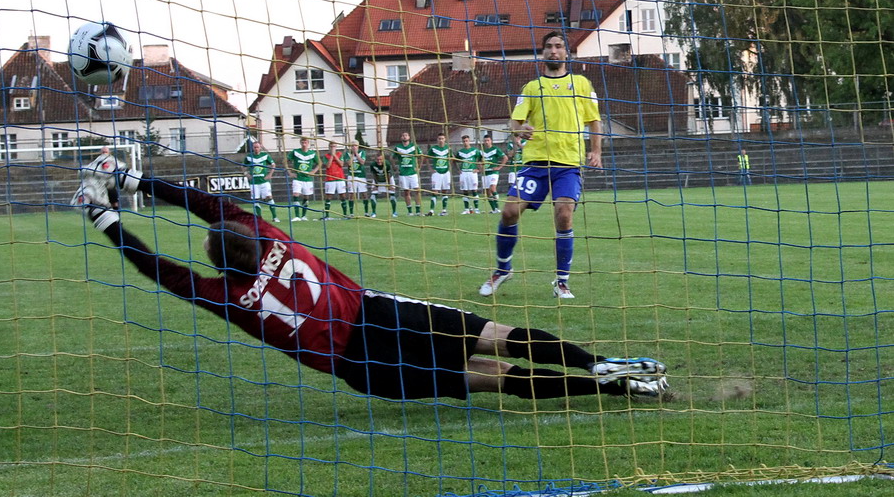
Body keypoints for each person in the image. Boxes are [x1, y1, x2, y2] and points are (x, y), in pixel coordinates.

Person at [69, 157, 669, 401]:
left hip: (359, 361)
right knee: (495, 334)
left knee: (492, 378)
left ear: (217, 264)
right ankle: (602, 364)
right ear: (251, 239)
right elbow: (204, 203)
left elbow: (156, 268)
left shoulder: (230, 297)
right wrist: (134, 181)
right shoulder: (275, 238)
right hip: (380, 310)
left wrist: (106, 219)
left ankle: (616, 390)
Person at [479, 31, 602, 300]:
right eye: (549, 47)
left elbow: (594, 120)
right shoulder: (531, 88)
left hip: (568, 163)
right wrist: (520, 129)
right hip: (535, 162)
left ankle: (561, 282)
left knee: (564, 214)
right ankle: (502, 270)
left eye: (559, 46)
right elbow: (515, 122)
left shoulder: (581, 84)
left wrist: (595, 151)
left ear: (566, 53)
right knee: (510, 212)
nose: (554, 51)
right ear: (543, 53)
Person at [287, 137, 321, 221]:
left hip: (307, 179)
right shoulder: (295, 152)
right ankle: (297, 216)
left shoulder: (312, 153)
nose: (304, 143)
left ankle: (304, 216)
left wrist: (313, 171)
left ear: (308, 143)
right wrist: (290, 172)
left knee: (306, 196)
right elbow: (286, 161)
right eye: (302, 142)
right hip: (297, 178)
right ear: (300, 143)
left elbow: (319, 163)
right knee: (296, 194)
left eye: (305, 142)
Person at [244, 142, 279, 222]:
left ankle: (275, 217)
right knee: (255, 200)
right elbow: (243, 166)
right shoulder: (249, 157)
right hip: (254, 183)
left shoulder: (265, 155)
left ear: (260, 148)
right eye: (255, 147)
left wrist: (270, 174)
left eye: (257, 147)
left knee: (269, 197)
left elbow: (273, 165)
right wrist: (246, 174)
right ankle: (259, 219)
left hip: (264, 181)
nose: (256, 149)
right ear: (253, 148)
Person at [393, 132, 422, 216]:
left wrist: (418, 167)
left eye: (406, 135)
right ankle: (409, 211)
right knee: (406, 192)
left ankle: (418, 210)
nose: (404, 137)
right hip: (403, 173)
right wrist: (395, 167)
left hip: (413, 173)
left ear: (409, 137)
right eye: (403, 135)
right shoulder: (398, 147)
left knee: (417, 191)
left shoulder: (414, 146)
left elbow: (421, 156)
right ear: (401, 138)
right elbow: (392, 157)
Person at [425, 133, 453, 216]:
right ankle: (431, 211)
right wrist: (430, 168)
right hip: (436, 173)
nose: (441, 140)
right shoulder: (433, 149)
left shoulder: (448, 148)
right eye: (439, 138)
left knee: (445, 191)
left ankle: (444, 210)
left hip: (446, 173)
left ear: (445, 139)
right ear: (437, 140)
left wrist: (449, 166)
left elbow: (452, 158)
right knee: (435, 191)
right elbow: (426, 158)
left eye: (442, 138)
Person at [455, 135, 483, 214]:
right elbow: (454, 161)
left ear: (469, 141)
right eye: (464, 141)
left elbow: (481, 160)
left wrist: (479, 169)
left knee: (474, 190)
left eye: (466, 140)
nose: (465, 142)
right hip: (464, 173)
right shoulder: (460, 152)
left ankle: (477, 209)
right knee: (465, 191)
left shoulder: (475, 151)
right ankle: (466, 209)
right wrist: (458, 170)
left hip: (472, 172)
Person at [480, 135, 507, 213]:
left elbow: (505, 157)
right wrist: (480, 167)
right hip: (485, 173)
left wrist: (499, 167)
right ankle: (495, 209)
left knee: (492, 188)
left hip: (493, 172)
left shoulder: (495, 149)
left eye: (488, 140)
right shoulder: (482, 151)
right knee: (488, 192)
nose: (486, 142)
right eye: (485, 141)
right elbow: (478, 160)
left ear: (491, 141)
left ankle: (498, 201)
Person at [344, 141, 370, 217]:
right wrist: (352, 155)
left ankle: (366, 212)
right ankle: (351, 213)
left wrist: (357, 154)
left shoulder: (362, 152)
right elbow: (349, 163)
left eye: (355, 146)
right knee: (351, 194)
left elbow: (362, 162)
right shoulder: (347, 154)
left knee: (364, 194)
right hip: (351, 176)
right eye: (352, 146)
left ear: (358, 146)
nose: (354, 147)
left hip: (361, 176)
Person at [322, 141, 348, 219]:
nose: (333, 148)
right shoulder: (326, 156)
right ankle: (327, 215)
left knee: (342, 196)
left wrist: (334, 155)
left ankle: (345, 214)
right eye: (331, 146)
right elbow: (328, 165)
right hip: (330, 178)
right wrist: (332, 156)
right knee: (328, 196)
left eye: (334, 146)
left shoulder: (340, 154)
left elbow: (341, 164)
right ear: (329, 147)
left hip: (340, 178)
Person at [368, 152, 398, 218]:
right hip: (378, 180)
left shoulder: (387, 164)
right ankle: (373, 212)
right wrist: (376, 185)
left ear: (383, 159)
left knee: (392, 195)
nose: (379, 161)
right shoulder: (373, 165)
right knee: (373, 196)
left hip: (388, 179)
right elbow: (374, 175)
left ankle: (394, 212)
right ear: (375, 159)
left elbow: (388, 175)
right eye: (377, 160)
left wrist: (389, 185)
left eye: (380, 159)